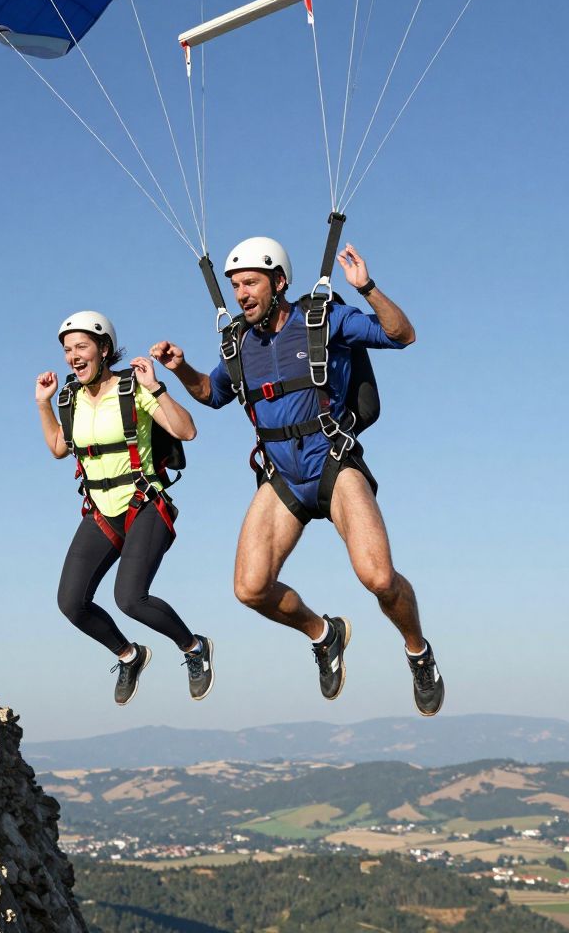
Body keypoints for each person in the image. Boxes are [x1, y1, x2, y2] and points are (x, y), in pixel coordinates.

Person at [150, 239, 444, 716]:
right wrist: (180, 368)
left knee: (380, 578)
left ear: (279, 283)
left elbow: (401, 335)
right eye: (235, 286)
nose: (241, 294)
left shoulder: (322, 320)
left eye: (250, 283)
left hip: (333, 464)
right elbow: (211, 392)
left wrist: (366, 287)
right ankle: (324, 635)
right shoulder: (238, 345)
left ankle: (418, 651)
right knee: (249, 588)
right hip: (282, 477)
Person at [36, 310, 214, 707]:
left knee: (130, 598)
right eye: (67, 350)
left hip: (144, 504)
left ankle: (193, 648)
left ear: (104, 349)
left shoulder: (133, 389)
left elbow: (187, 431)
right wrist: (44, 405)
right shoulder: (70, 399)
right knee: (71, 603)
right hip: (100, 511)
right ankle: (129, 656)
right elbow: (57, 449)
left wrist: (157, 388)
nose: (73, 356)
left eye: (81, 347)